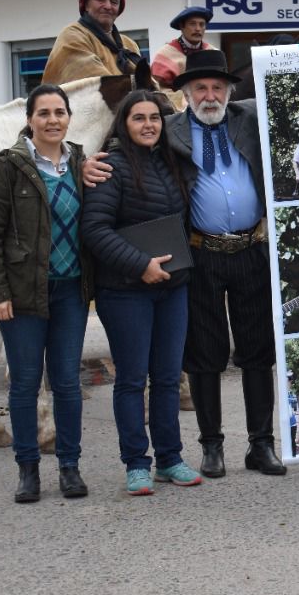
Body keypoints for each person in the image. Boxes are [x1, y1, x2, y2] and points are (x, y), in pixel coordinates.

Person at [87, 49, 285, 477]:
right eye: (200, 88)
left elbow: (297, 94)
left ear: (229, 91)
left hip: (252, 248)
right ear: (187, 94)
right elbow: (126, 145)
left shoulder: (251, 117)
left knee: (257, 351)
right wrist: (83, 164)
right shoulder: (169, 129)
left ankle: (261, 444)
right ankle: (211, 447)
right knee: (204, 354)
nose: (210, 96)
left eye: (217, 87)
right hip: (199, 254)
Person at [80, 89, 202, 496]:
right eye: (139, 118)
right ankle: (136, 464)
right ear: (123, 124)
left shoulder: (172, 163)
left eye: (154, 118)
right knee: (132, 380)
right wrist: (140, 265)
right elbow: (95, 229)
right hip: (125, 292)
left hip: (173, 287)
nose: (148, 125)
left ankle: (170, 459)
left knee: (167, 378)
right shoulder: (109, 167)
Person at [0, 84, 92, 503]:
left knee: (67, 383)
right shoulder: (8, 166)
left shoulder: (80, 163)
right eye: (44, 113)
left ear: (69, 118)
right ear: (29, 120)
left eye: (60, 112)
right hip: (22, 294)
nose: (52, 120)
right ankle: (27, 470)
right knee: (25, 384)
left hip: (70, 291)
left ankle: (69, 466)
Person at [41, 0, 144, 85]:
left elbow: (146, 82)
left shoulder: (129, 44)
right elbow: (99, 83)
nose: (108, 6)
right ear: (86, 5)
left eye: (114, 2)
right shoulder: (72, 35)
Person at [152, 6, 215, 109]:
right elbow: (157, 90)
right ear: (182, 26)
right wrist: (184, 100)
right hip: (175, 113)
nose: (198, 29)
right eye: (192, 24)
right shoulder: (164, 55)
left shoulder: (213, 53)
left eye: (202, 24)